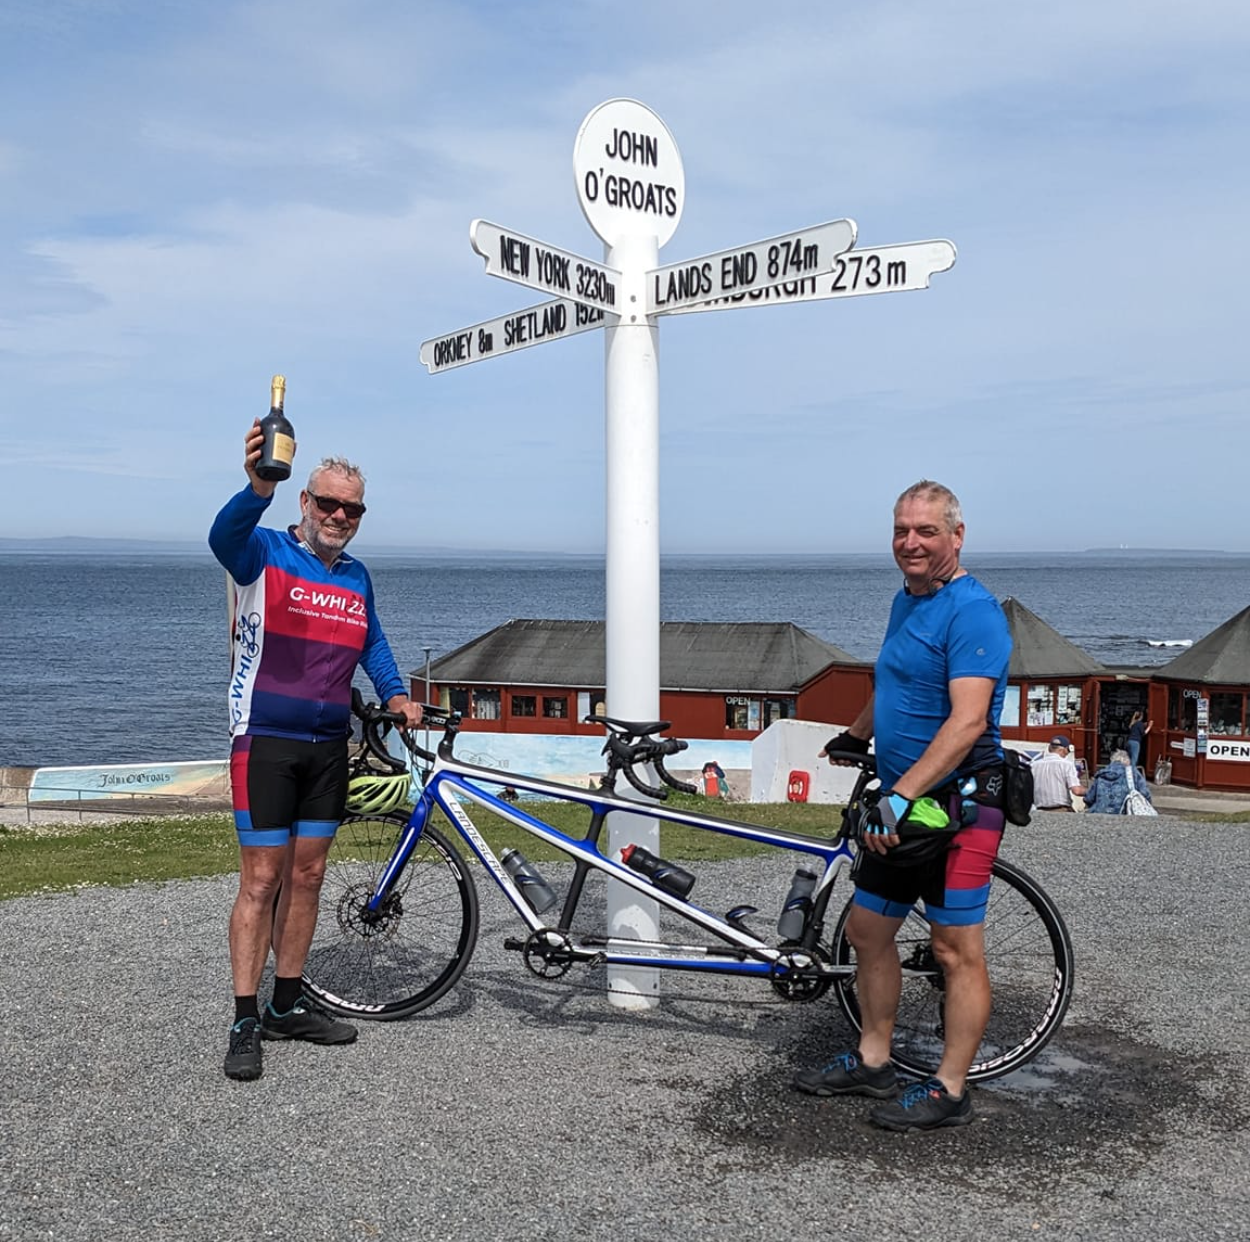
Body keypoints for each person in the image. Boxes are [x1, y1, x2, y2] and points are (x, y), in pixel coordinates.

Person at [792, 480, 1011, 1132]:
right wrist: (857, 734)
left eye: (926, 531)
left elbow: (968, 722)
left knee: (953, 951)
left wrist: (901, 795)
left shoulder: (974, 614)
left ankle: (950, 1088)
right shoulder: (906, 600)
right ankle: (874, 1058)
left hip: (959, 804)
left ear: (956, 536)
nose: (910, 543)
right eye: (901, 531)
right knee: (867, 932)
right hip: (900, 803)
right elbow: (895, 679)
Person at [209, 421, 422, 1083]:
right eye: (327, 503)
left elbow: (374, 645)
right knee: (261, 881)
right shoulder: (264, 553)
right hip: (265, 741)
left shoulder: (357, 577)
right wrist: (256, 485)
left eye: (350, 508)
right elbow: (222, 538)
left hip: (329, 744)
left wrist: (396, 696)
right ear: (304, 502)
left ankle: (287, 1002)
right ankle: (246, 1016)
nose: (338, 516)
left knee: (307, 878)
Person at [1084, 749, 1154, 814]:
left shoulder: (1102, 774)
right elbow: (1145, 794)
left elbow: (1089, 798)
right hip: (1125, 813)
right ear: (1127, 761)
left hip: (1100, 813)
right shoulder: (1133, 773)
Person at [1031, 735, 1087, 812]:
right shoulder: (1067, 765)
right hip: (1061, 810)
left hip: (1039, 810)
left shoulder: (1034, 765)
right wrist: (1092, 791)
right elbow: (1076, 790)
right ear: (1065, 749)